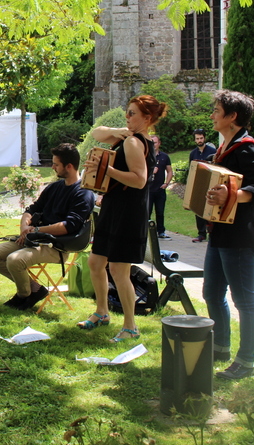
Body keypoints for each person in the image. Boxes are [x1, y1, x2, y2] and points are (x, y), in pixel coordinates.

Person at [80, 95, 166, 343]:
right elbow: (97, 133)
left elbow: (139, 180)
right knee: (96, 263)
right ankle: (102, 312)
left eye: (132, 114)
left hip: (129, 212)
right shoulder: (128, 137)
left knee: (119, 269)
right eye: (127, 112)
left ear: (147, 118)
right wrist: (121, 130)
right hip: (114, 207)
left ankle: (130, 326)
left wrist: (105, 169)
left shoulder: (134, 143)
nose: (127, 117)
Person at [203, 89, 254, 380]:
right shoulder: (225, 146)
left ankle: (247, 361)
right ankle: (221, 347)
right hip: (220, 234)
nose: (212, 115)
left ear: (232, 117)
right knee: (211, 293)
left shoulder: (248, 147)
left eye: (217, 111)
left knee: (244, 300)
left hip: (242, 237)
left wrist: (230, 195)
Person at [0, 144, 94, 310]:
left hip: (57, 246)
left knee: (14, 260)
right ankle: (35, 289)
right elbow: (32, 209)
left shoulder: (83, 193)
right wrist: (24, 227)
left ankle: (23, 295)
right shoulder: (54, 187)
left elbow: (69, 226)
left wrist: (35, 230)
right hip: (34, 239)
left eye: (56, 164)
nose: (53, 167)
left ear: (69, 167)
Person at [189, 128, 217, 243]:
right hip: (198, 184)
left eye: (201, 138)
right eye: (197, 139)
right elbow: (191, 169)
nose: (199, 140)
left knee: (211, 208)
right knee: (198, 208)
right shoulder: (193, 153)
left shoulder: (212, 151)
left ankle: (212, 233)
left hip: (210, 183)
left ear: (204, 138)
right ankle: (201, 234)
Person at [147, 135, 173, 240]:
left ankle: (161, 231)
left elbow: (170, 171)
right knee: (147, 212)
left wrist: (166, 183)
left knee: (160, 212)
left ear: (159, 143)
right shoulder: (146, 157)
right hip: (148, 190)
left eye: (155, 142)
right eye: (151, 143)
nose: (154, 145)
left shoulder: (164, 157)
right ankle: (146, 231)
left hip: (160, 190)